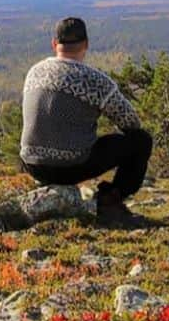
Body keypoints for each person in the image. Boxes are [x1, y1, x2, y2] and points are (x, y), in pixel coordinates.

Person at [19, 16, 153, 219]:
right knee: (141, 141)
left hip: (32, 164)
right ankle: (111, 200)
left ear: (54, 44)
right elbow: (131, 123)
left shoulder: (34, 72)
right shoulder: (94, 80)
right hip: (71, 166)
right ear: (86, 44)